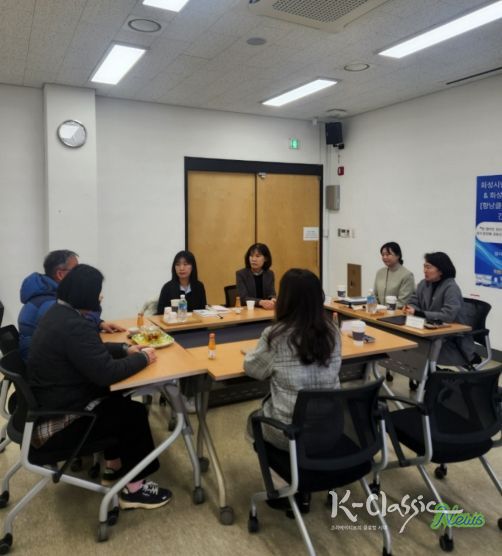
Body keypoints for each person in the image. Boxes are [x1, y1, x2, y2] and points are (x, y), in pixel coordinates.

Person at [27, 264, 172, 509]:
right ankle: (135, 489)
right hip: (64, 418)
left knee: (119, 399)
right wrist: (143, 358)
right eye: (97, 292)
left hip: (53, 401)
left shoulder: (58, 314)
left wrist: (125, 349)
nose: (100, 297)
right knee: (133, 414)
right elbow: (107, 373)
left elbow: (89, 350)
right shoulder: (74, 325)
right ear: (85, 294)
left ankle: (114, 465)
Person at [244, 268, 341, 450]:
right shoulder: (333, 332)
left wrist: (252, 353)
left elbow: (253, 370)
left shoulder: (275, 335)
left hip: (289, 434)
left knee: (253, 419)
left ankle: (276, 464)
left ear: (285, 299)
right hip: (330, 428)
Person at [18, 249, 124, 360]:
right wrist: (94, 304)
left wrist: (100, 323)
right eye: (75, 270)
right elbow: (82, 329)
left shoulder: (47, 293)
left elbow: (75, 320)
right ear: (60, 274)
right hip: (44, 365)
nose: (79, 274)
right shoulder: (49, 304)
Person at [403, 252, 475, 365]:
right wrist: (411, 309)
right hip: (428, 330)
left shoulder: (451, 287)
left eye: (428, 267)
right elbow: (413, 302)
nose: (425, 270)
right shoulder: (423, 284)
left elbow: (448, 316)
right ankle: (419, 371)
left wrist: (419, 313)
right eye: (424, 266)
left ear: (441, 270)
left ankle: (425, 372)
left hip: (451, 340)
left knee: (415, 348)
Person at [373, 242, 415, 307]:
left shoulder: (407, 275)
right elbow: (375, 295)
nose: (384, 257)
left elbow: (403, 302)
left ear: (398, 256)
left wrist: (385, 310)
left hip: (397, 312)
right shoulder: (380, 272)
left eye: (388, 254)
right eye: (383, 255)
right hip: (379, 311)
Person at [236, 243, 276, 309]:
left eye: (257, 256)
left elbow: (272, 293)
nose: (253, 259)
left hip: (265, 311)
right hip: (249, 311)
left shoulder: (269, 274)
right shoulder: (241, 274)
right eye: (251, 256)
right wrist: (260, 302)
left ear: (266, 258)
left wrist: (273, 300)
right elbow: (243, 298)